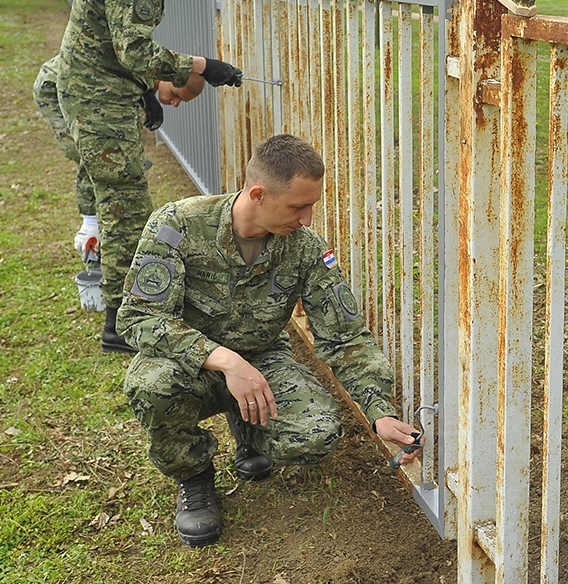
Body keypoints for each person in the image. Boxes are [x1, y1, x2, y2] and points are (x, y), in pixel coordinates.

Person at [118, 134, 421, 548]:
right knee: (150, 387)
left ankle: (247, 424)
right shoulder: (178, 226)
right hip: (189, 364)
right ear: (258, 193)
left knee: (318, 432)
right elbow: (139, 317)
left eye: (311, 205)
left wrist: (378, 411)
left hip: (262, 359)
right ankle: (194, 476)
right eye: (298, 206)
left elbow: (345, 336)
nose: (308, 219)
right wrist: (224, 360)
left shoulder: (304, 248)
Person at [56, 0, 243, 355]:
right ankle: (122, 323)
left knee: (120, 199)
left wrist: (144, 91)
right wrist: (202, 65)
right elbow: (134, 50)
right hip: (97, 98)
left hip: (103, 92)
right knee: (128, 208)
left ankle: (122, 312)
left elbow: (119, 40)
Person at [34, 55, 205, 264]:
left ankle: (105, 225)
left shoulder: (140, 79)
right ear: (171, 79)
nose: (175, 103)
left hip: (84, 88)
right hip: (56, 86)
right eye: (177, 95)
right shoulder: (143, 63)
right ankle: (91, 224)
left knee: (113, 158)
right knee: (91, 153)